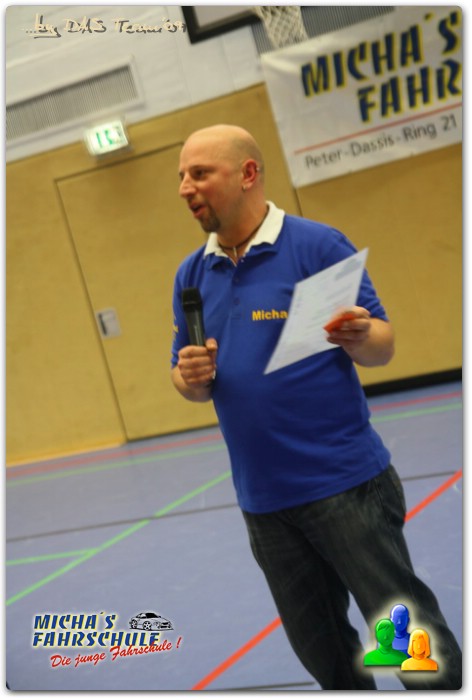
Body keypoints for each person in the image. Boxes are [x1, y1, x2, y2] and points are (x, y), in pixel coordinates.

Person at [170, 124, 462, 690]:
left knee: (411, 647)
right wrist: (190, 377)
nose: (185, 187)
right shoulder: (192, 273)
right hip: (264, 504)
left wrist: (362, 334)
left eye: (200, 173)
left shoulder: (315, 245)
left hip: (346, 488)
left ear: (248, 174)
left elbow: (381, 347)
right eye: (181, 176)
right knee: (325, 655)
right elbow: (189, 381)